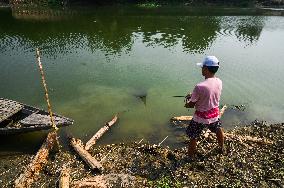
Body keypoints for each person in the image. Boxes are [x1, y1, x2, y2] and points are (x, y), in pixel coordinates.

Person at [184, 55, 224, 158]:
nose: (201, 69)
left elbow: (191, 105)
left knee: (193, 137)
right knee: (218, 129)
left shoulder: (199, 86)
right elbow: (209, 95)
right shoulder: (219, 82)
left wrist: (187, 103)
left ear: (206, 69)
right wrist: (193, 95)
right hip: (215, 114)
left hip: (200, 118)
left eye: (202, 67)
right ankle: (221, 147)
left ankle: (190, 157)